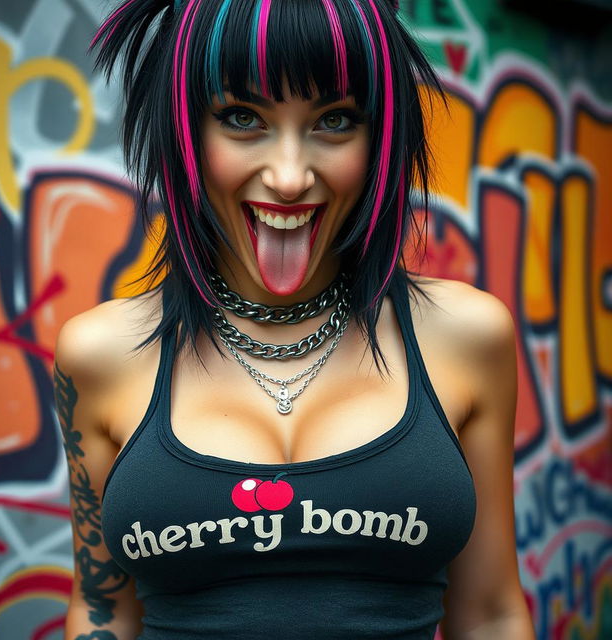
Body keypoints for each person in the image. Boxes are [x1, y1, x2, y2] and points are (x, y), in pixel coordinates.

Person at [53, 0, 536, 638]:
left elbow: (492, 614)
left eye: (334, 121)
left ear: (379, 139)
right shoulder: (98, 354)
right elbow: (103, 610)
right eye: (242, 118)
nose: (288, 176)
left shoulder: (467, 337)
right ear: (186, 133)